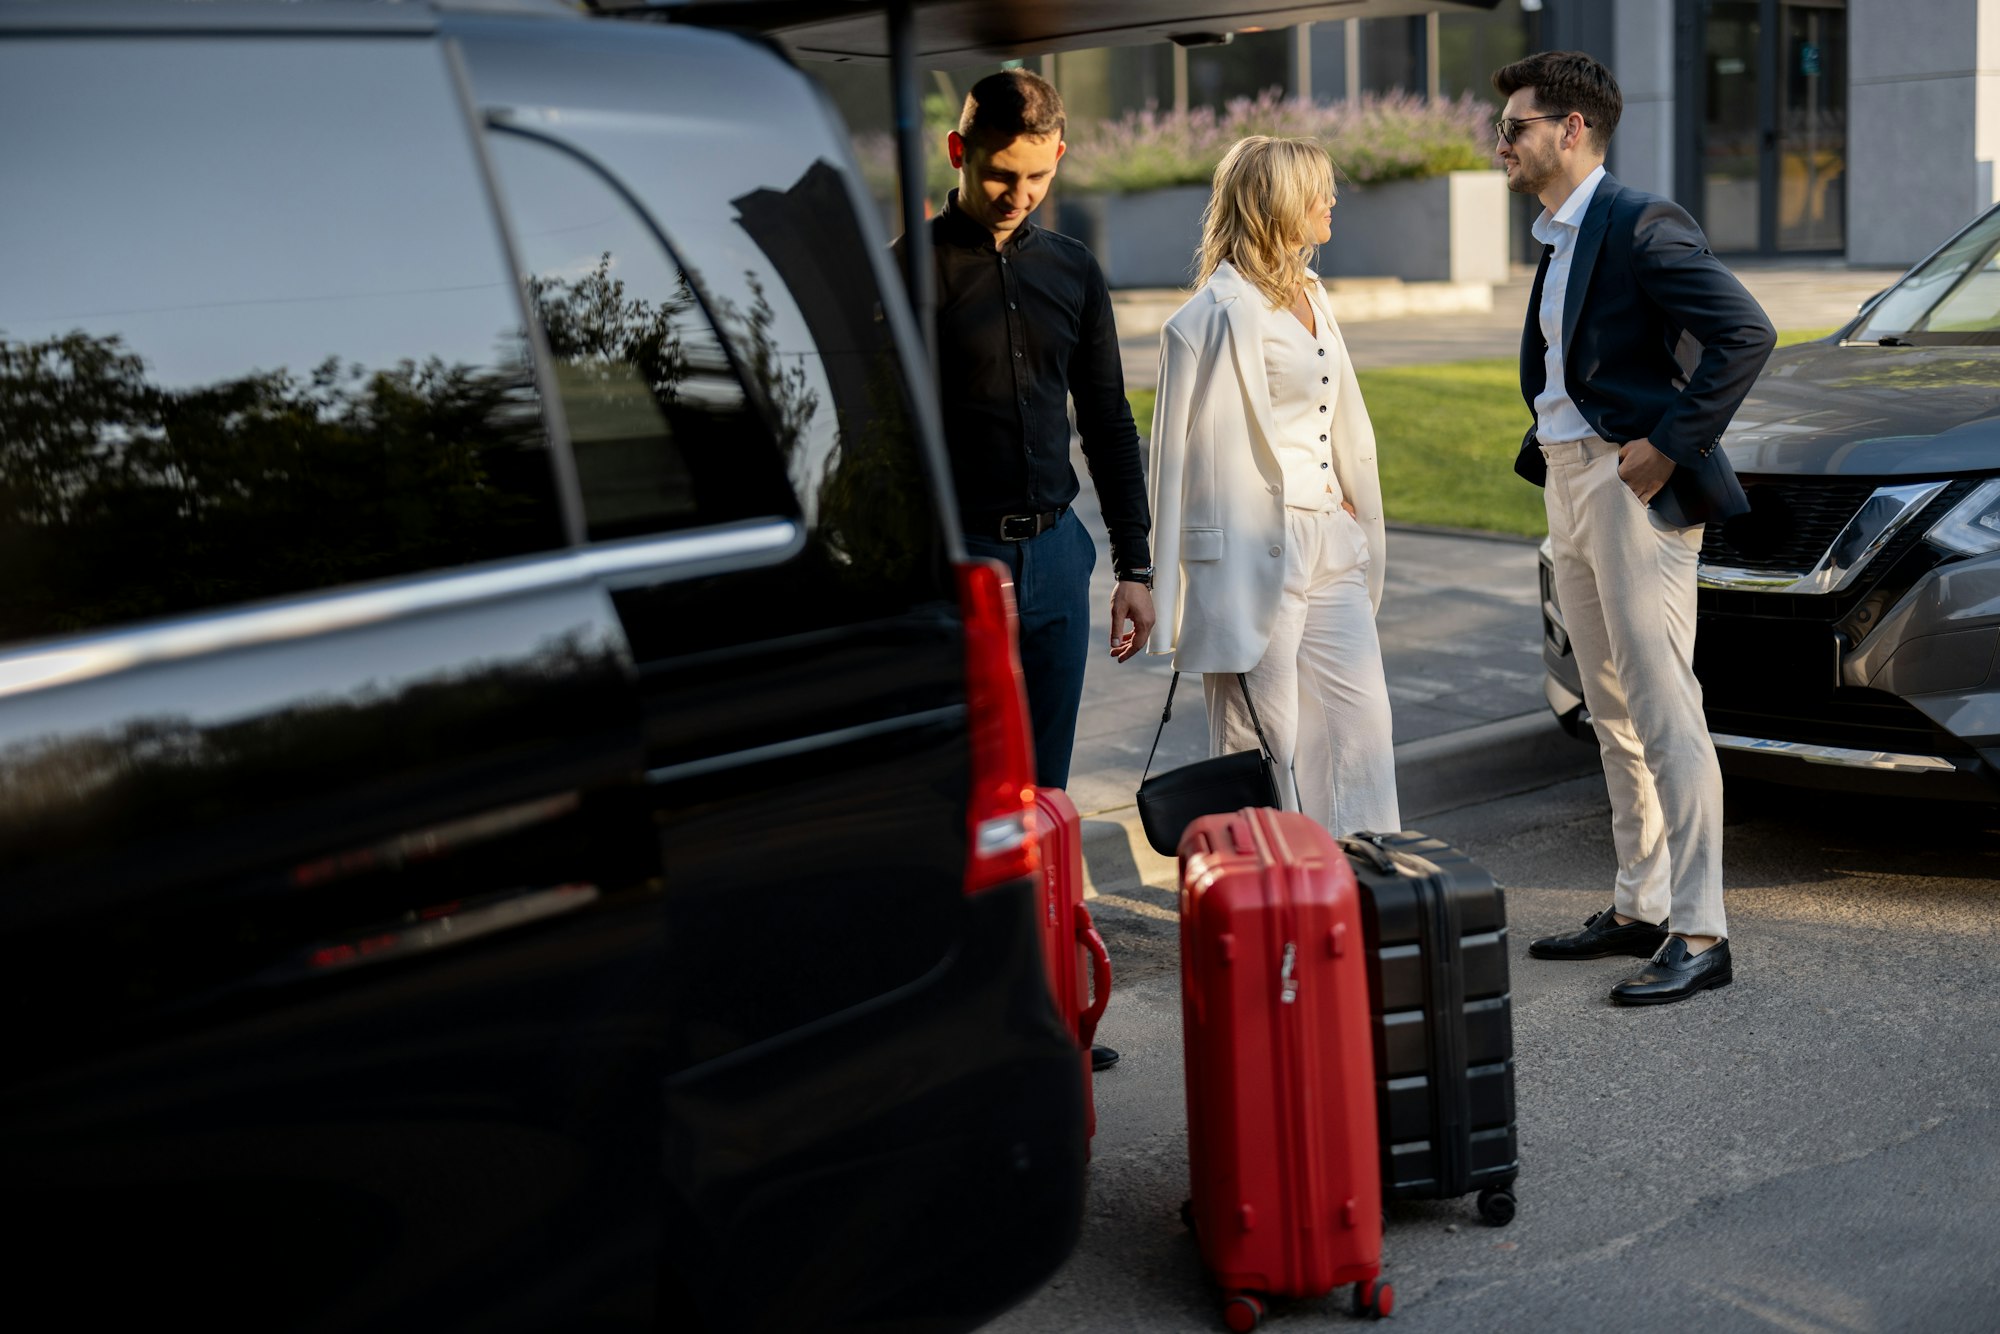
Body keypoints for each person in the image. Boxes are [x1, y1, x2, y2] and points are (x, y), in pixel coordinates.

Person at [1493, 51, 1775, 1005]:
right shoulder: (1558, 236)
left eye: (1517, 126)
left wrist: (1667, 443)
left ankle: (1702, 931)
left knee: (1664, 707)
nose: (1502, 143)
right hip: (1569, 483)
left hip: (1632, 485)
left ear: (1571, 129)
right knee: (1607, 704)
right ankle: (1640, 904)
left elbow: (1747, 333)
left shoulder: (1641, 221)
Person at [898, 68, 1152, 1071]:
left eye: (1036, 179)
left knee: (1044, 795)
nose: (1017, 195)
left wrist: (1133, 561)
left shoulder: (1072, 270)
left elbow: (1107, 420)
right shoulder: (902, 275)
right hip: (957, 568)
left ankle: (1043, 998)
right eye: (1001, 175)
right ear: (959, 153)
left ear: (1059, 160)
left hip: (1055, 556)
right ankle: (960, 1005)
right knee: (965, 793)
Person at [1146, 135, 1400, 841]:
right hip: (1253, 554)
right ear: (1278, 203)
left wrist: (1342, 498)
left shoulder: (1315, 294)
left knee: (1362, 731)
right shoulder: (1205, 320)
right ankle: (1269, 907)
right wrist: (1163, 598)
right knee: (1263, 745)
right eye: (1319, 189)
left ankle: (1366, 894)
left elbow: (1335, 417)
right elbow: (1168, 466)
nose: (1333, 201)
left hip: (1332, 541)